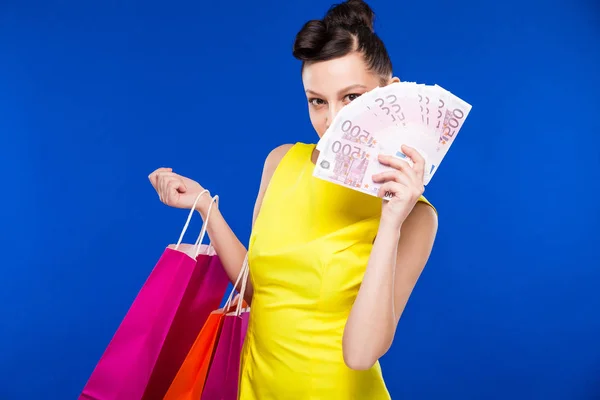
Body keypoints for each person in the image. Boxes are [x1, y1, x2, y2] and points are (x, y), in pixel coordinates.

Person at [149, 0, 438, 398]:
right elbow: (256, 290)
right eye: (318, 100)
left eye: (351, 98)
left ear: (392, 95)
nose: (332, 119)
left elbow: (361, 354)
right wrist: (204, 205)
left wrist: (390, 221)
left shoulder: (416, 216)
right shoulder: (282, 161)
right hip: (254, 385)